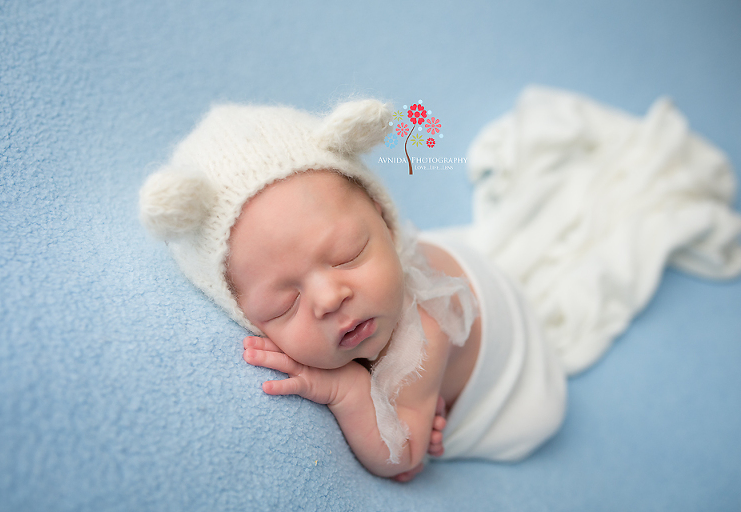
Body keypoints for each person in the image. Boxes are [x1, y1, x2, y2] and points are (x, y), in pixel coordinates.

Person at [138, 93, 741, 481]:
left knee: (529, 415)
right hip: (461, 287)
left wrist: (352, 391)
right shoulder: (344, 279)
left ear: (387, 220)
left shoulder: (422, 331)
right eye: (285, 302)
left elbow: (401, 458)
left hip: (508, 363)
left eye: (348, 254)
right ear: (241, 311)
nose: (328, 299)